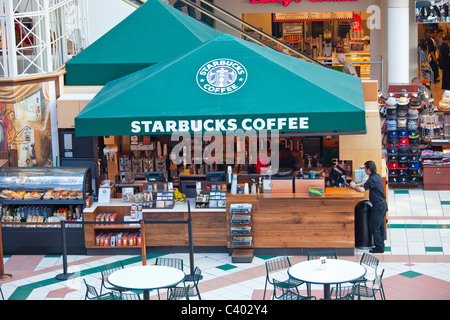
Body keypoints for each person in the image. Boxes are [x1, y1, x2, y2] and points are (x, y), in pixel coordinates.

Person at [350, 161, 387, 254]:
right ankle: (381, 245)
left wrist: (354, 186)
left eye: (365, 169)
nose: (364, 170)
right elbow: (365, 182)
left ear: (369, 169)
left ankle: (379, 248)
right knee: (381, 226)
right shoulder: (376, 176)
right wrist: (358, 184)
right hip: (382, 205)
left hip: (378, 206)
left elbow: (362, 190)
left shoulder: (372, 179)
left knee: (374, 227)